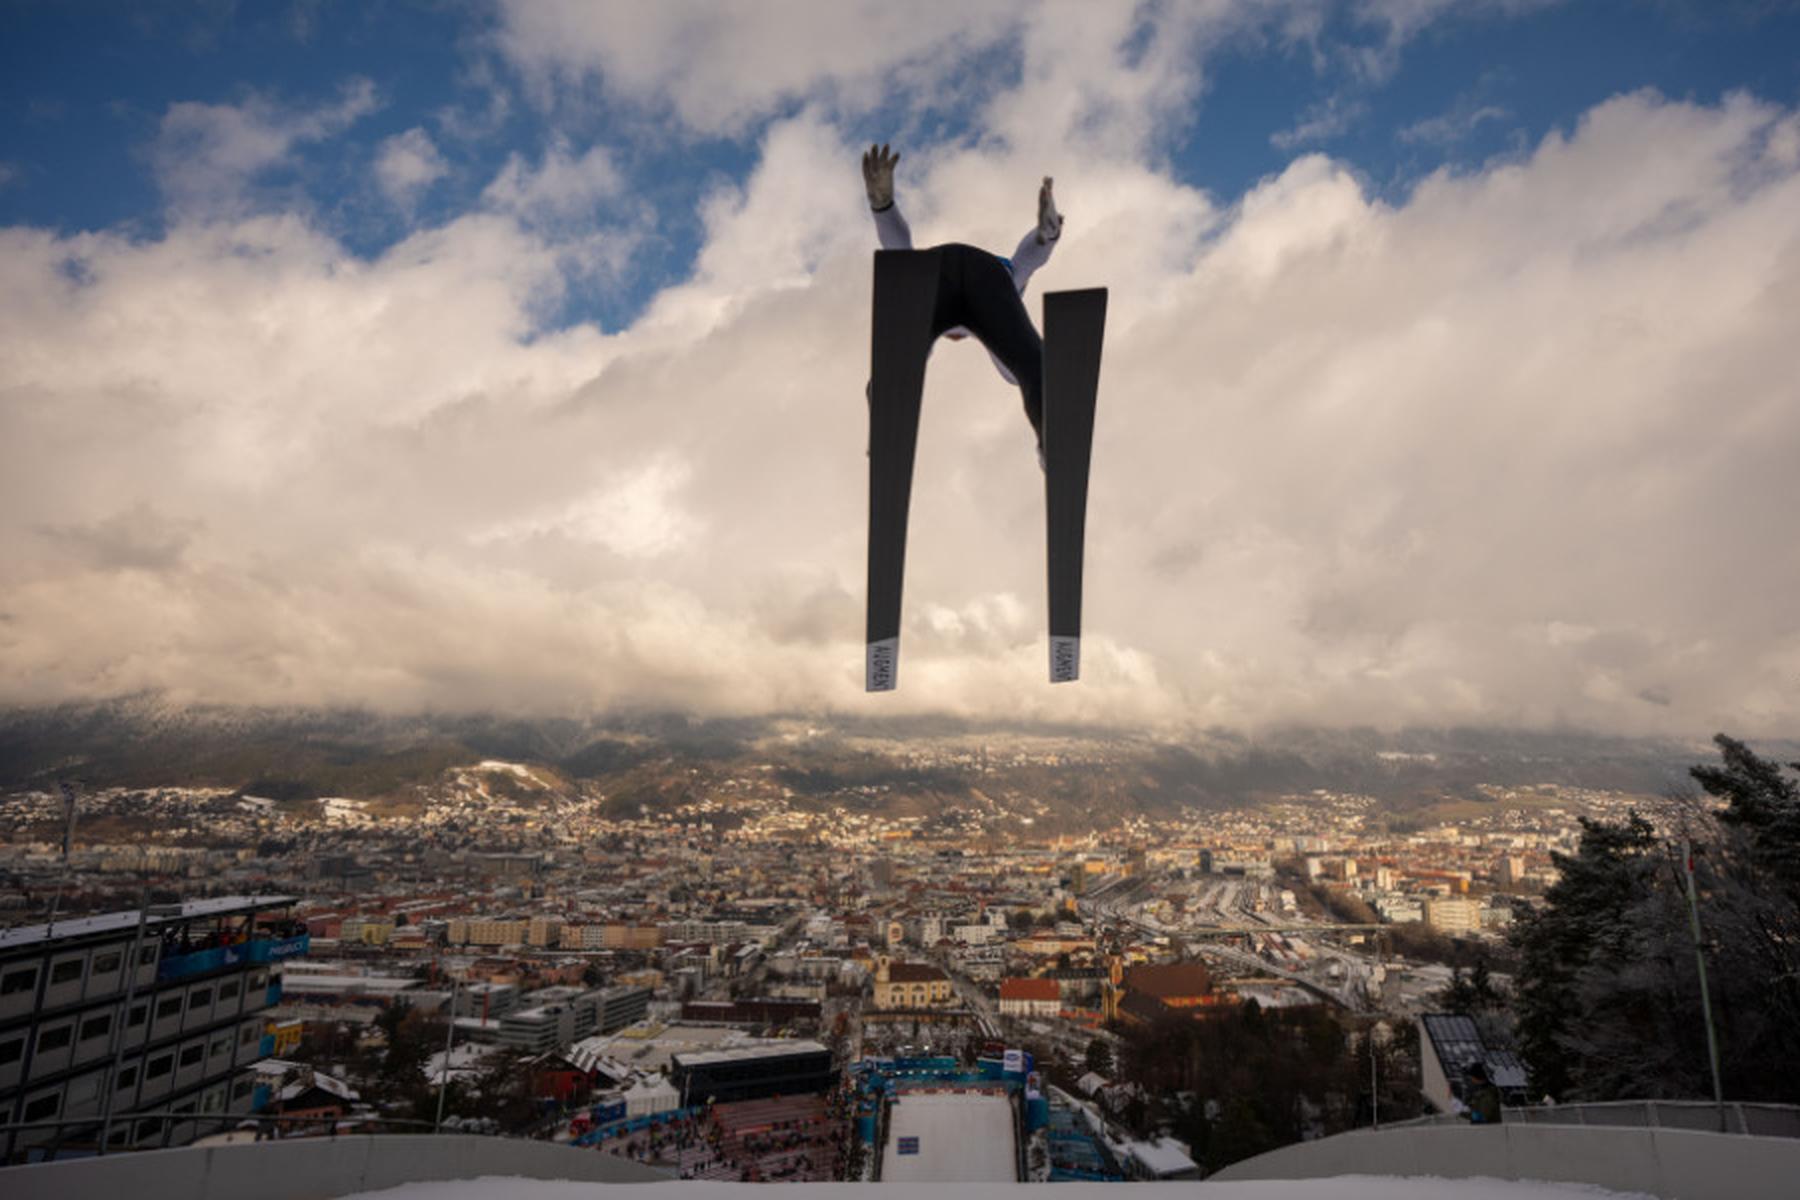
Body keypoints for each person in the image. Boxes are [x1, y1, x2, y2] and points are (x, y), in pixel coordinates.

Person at [861, 143, 1063, 464]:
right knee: (1027, 367)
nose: (956, 335)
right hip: (985, 274)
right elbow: (1029, 259)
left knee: (903, 359)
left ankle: (887, 415)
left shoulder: (938, 296)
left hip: (935, 274)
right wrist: (1047, 235)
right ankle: (1052, 434)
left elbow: (900, 252)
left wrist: (882, 207)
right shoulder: (1003, 291)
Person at [1461, 1060, 1503, 1125]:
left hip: (1489, 1132)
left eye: (1470, 1077)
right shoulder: (1480, 1092)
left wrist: (1462, 1111)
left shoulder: (1488, 1093)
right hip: (1482, 1131)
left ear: (1475, 1077)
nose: (1470, 1080)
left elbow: (1482, 1116)